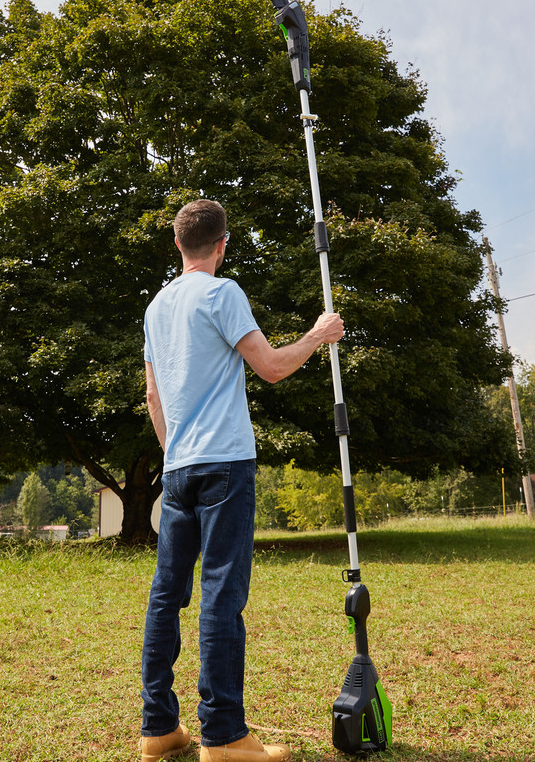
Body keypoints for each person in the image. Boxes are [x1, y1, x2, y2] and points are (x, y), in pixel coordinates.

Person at [139, 199, 344, 762]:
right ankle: (224, 736)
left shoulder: (156, 308)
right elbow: (273, 367)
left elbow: (154, 395)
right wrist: (319, 334)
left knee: (166, 597)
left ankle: (158, 729)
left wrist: (173, 452)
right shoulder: (222, 293)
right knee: (221, 597)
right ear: (222, 243)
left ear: (178, 244)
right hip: (226, 463)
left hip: (178, 468)